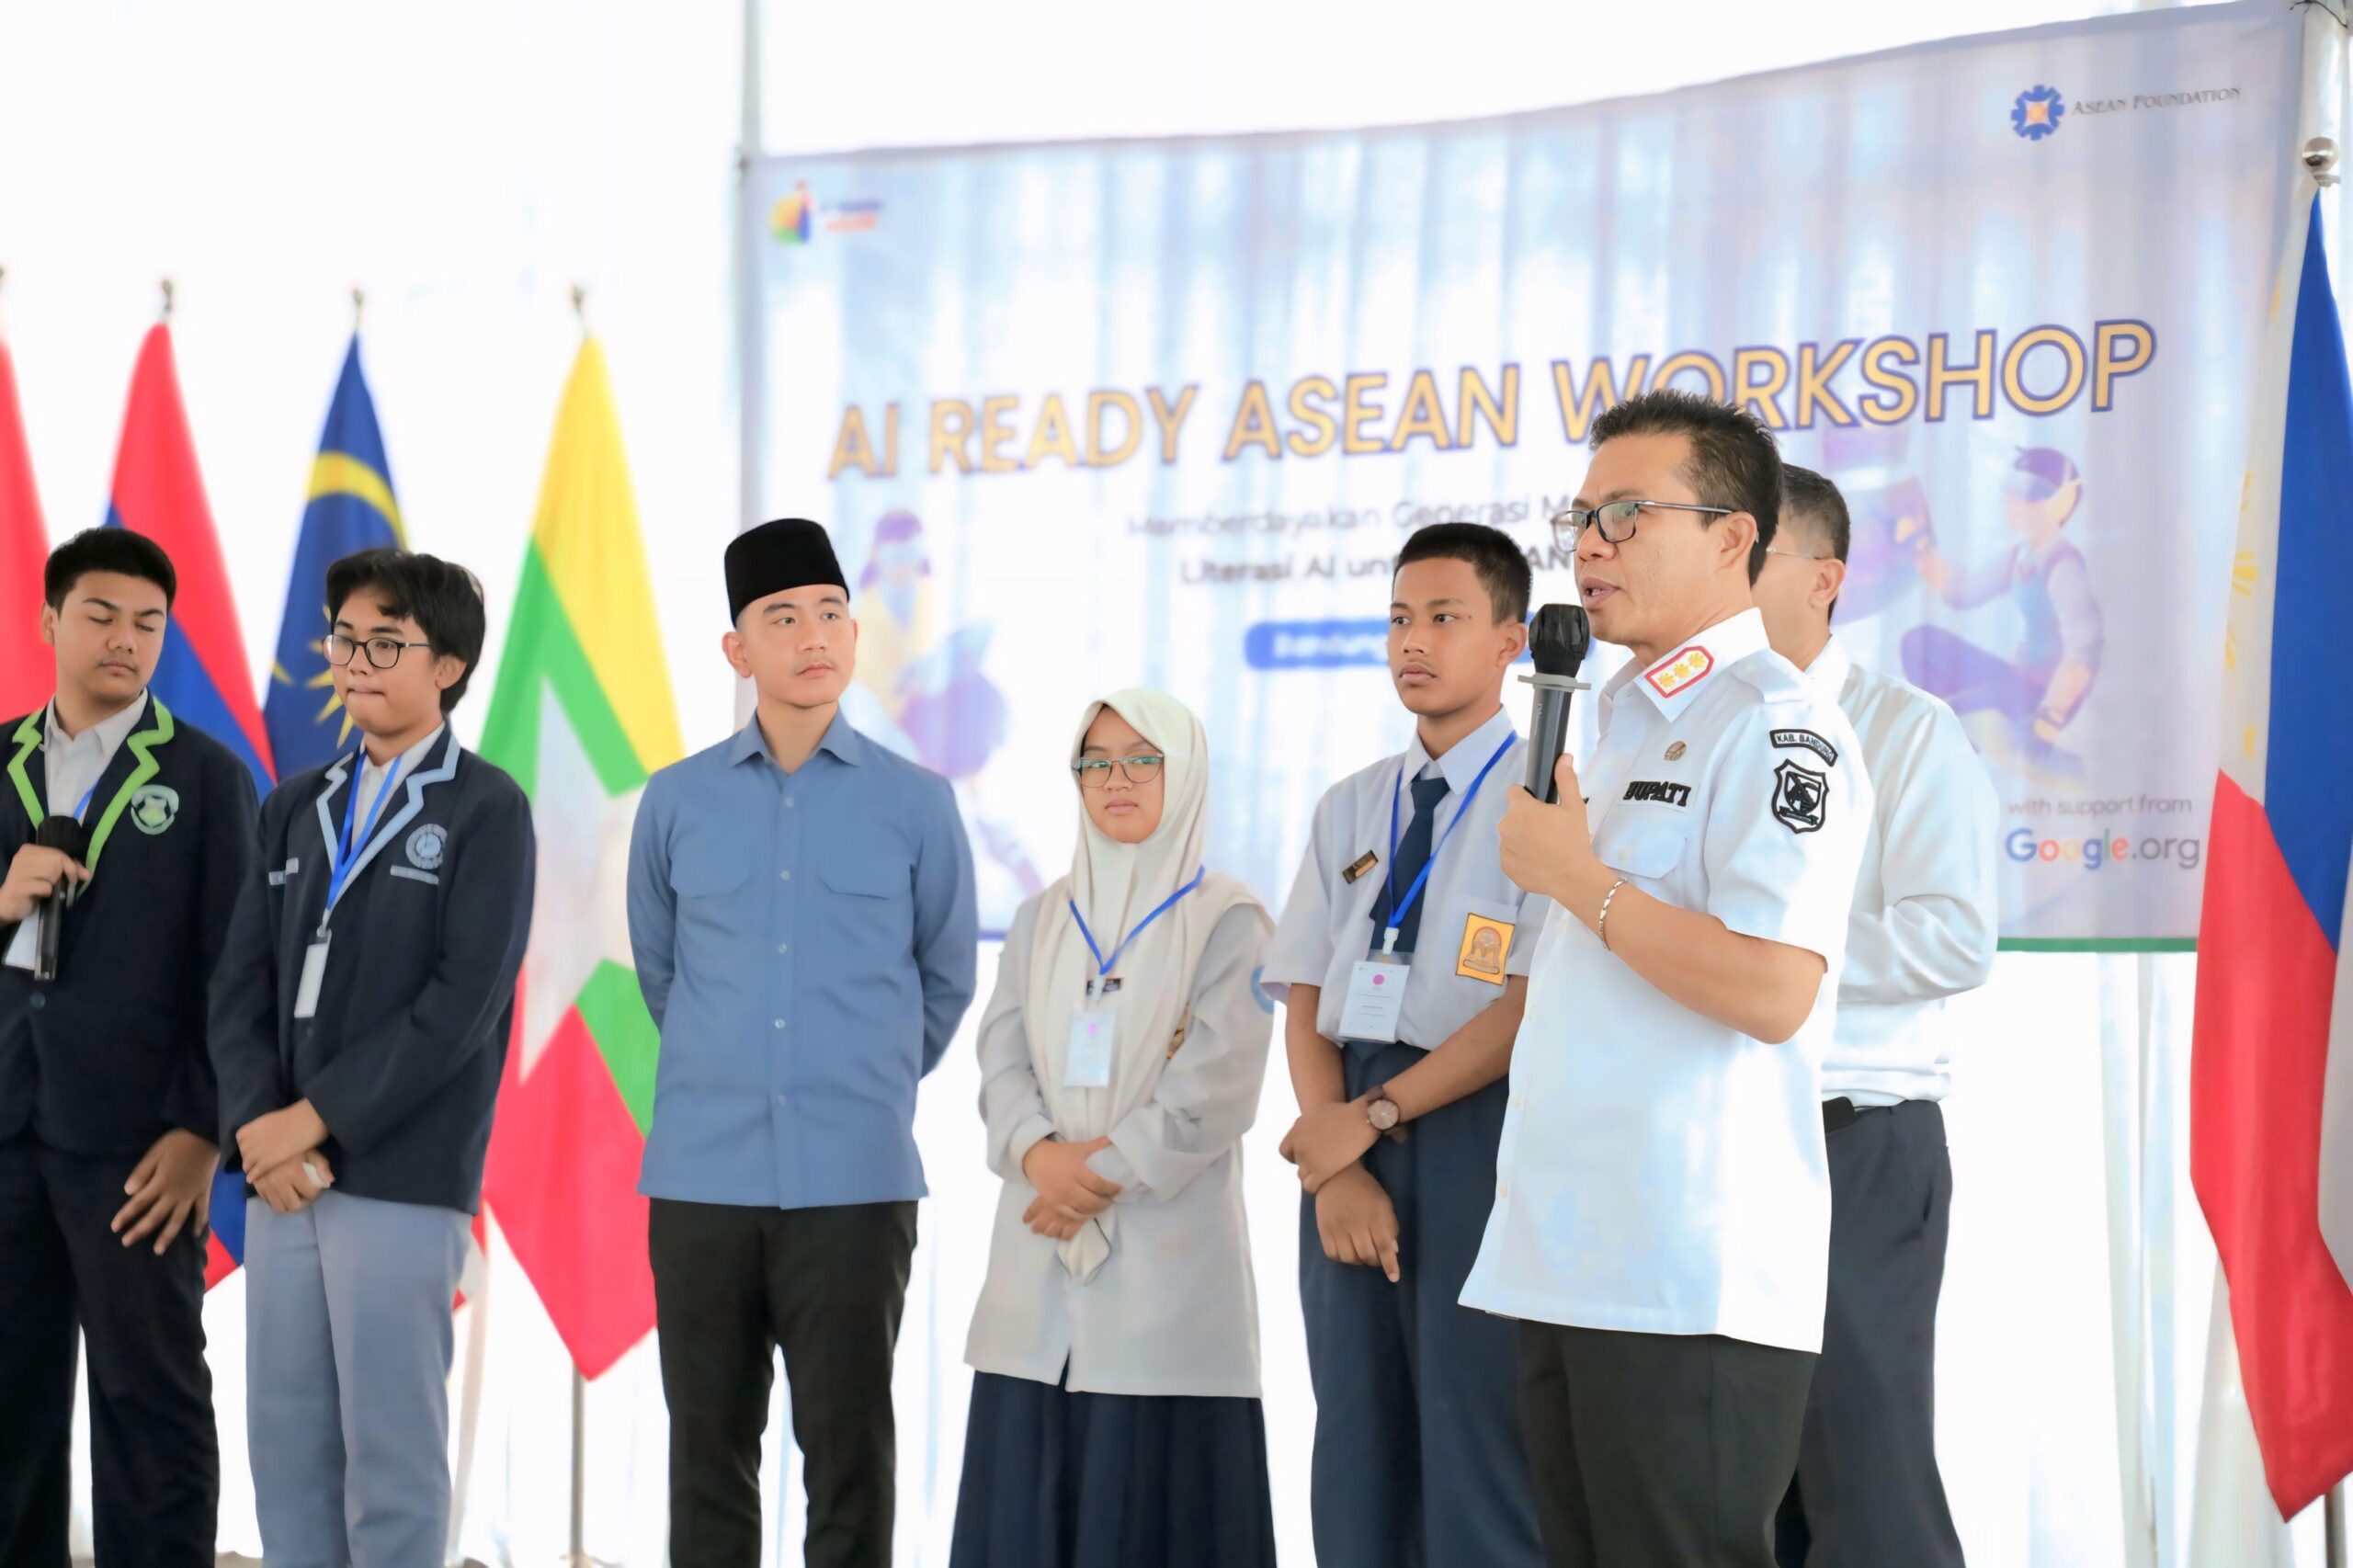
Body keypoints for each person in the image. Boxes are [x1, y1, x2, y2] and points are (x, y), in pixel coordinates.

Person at [1462, 390, 1871, 1567]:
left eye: (1627, 515)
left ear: (1734, 537)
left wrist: (1579, 879)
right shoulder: (1615, 721)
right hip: (1566, 1250)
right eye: (1582, 517)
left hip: (1686, 1269)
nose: (1589, 545)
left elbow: (1772, 991)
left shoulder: (1780, 727)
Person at [628, 516, 978, 1568]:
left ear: (856, 635)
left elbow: (944, 979)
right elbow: (662, 973)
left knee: (849, 1457)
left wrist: (858, 1079)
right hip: (703, 1180)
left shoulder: (917, 802)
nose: (813, 634)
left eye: (831, 613)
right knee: (707, 1455)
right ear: (737, 650)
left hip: (854, 1179)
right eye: (782, 618)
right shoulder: (676, 800)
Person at [210, 548, 534, 1568]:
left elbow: (461, 1006)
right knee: (286, 1452)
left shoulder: (485, 808)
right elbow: (239, 987)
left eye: (385, 643)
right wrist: (260, 1130)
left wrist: (314, 1121)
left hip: (400, 1173)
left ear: (448, 666)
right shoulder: (293, 803)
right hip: (281, 1178)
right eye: (344, 640)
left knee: (390, 1458)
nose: (355, 661)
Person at [1261, 521, 1548, 1568]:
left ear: (1511, 639)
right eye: (1397, 619)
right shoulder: (1351, 804)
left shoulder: (1547, 801)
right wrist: (1336, 1157)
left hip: (1477, 1126)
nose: (1412, 641)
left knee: (1478, 1432)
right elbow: (1304, 992)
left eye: (1443, 617)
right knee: (1356, 1431)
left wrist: (1374, 1117)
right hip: (1346, 1120)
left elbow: (1525, 1006)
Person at [953, 688, 1278, 1568]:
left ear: (1186, 773)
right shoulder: (1042, 917)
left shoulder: (1229, 920)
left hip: (1167, 1283)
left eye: (1141, 760)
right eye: (1095, 763)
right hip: (1034, 1277)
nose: (1116, 780)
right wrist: (1036, 1156)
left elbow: (1214, 1091)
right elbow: (1000, 1059)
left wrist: (1087, 1179)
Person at [1754, 466, 1999, 1568]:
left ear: (1824, 578)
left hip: (1851, 1140)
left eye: (1747, 556)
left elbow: (1952, 937)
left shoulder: (1905, 731)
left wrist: (1769, 961)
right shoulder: (1687, 730)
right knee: (1745, 1483)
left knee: (1864, 1483)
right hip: (1710, 1145)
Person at [0, 528, 255, 1565]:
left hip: (141, 1149)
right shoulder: (0, 758)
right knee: (9, 1398)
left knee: (149, 1399)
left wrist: (203, 1129)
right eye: (102, 615)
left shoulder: (207, 777)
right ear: (49, 619)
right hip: (6, 1129)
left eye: (149, 624)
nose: (126, 639)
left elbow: (237, 974)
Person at [1900, 446, 2102, 774]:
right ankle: (1970, 718)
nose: (2010, 500)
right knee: (1918, 644)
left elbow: (2083, 654)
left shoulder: (2063, 565)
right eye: (2010, 489)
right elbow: (1962, 592)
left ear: (2058, 502)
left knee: (1948, 722)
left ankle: (1976, 724)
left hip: (2043, 696)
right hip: (2016, 680)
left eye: (2026, 492)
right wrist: (1919, 543)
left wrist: (2048, 721)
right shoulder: (2019, 557)